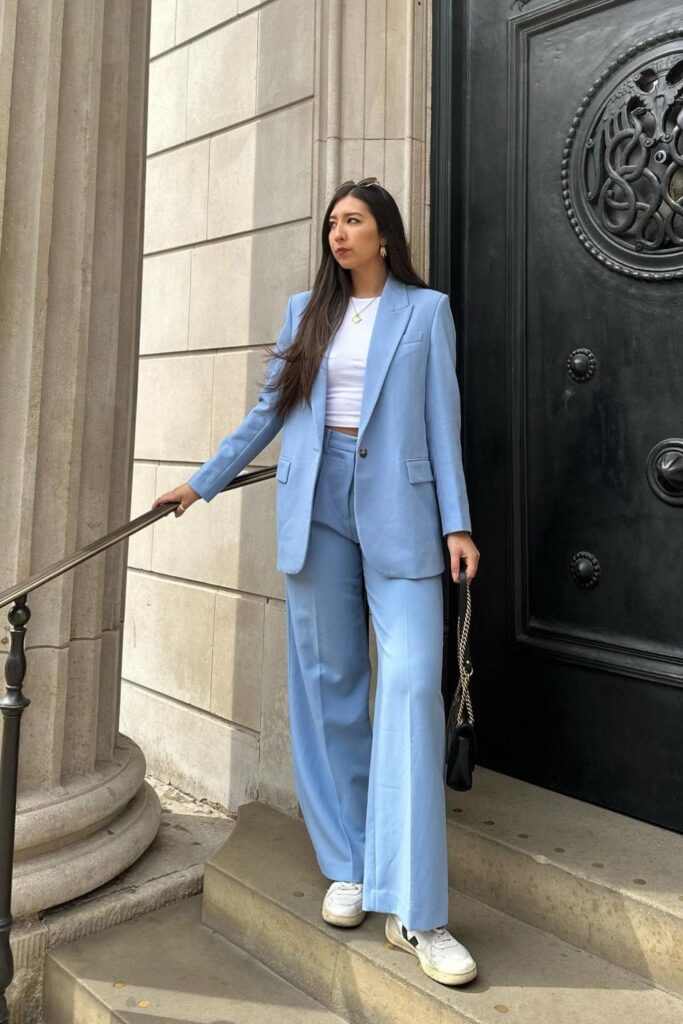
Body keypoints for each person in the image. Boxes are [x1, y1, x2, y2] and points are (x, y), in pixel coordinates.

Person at [152, 176, 481, 987]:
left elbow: (443, 422)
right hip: (314, 504)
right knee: (330, 685)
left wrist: (457, 522)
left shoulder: (425, 311)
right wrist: (201, 482)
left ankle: (418, 913)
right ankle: (350, 863)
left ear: (383, 234)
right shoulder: (307, 311)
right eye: (333, 222)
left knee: (411, 686)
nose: (338, 233)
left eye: (353, 220)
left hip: (401, 511)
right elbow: (268, 411)